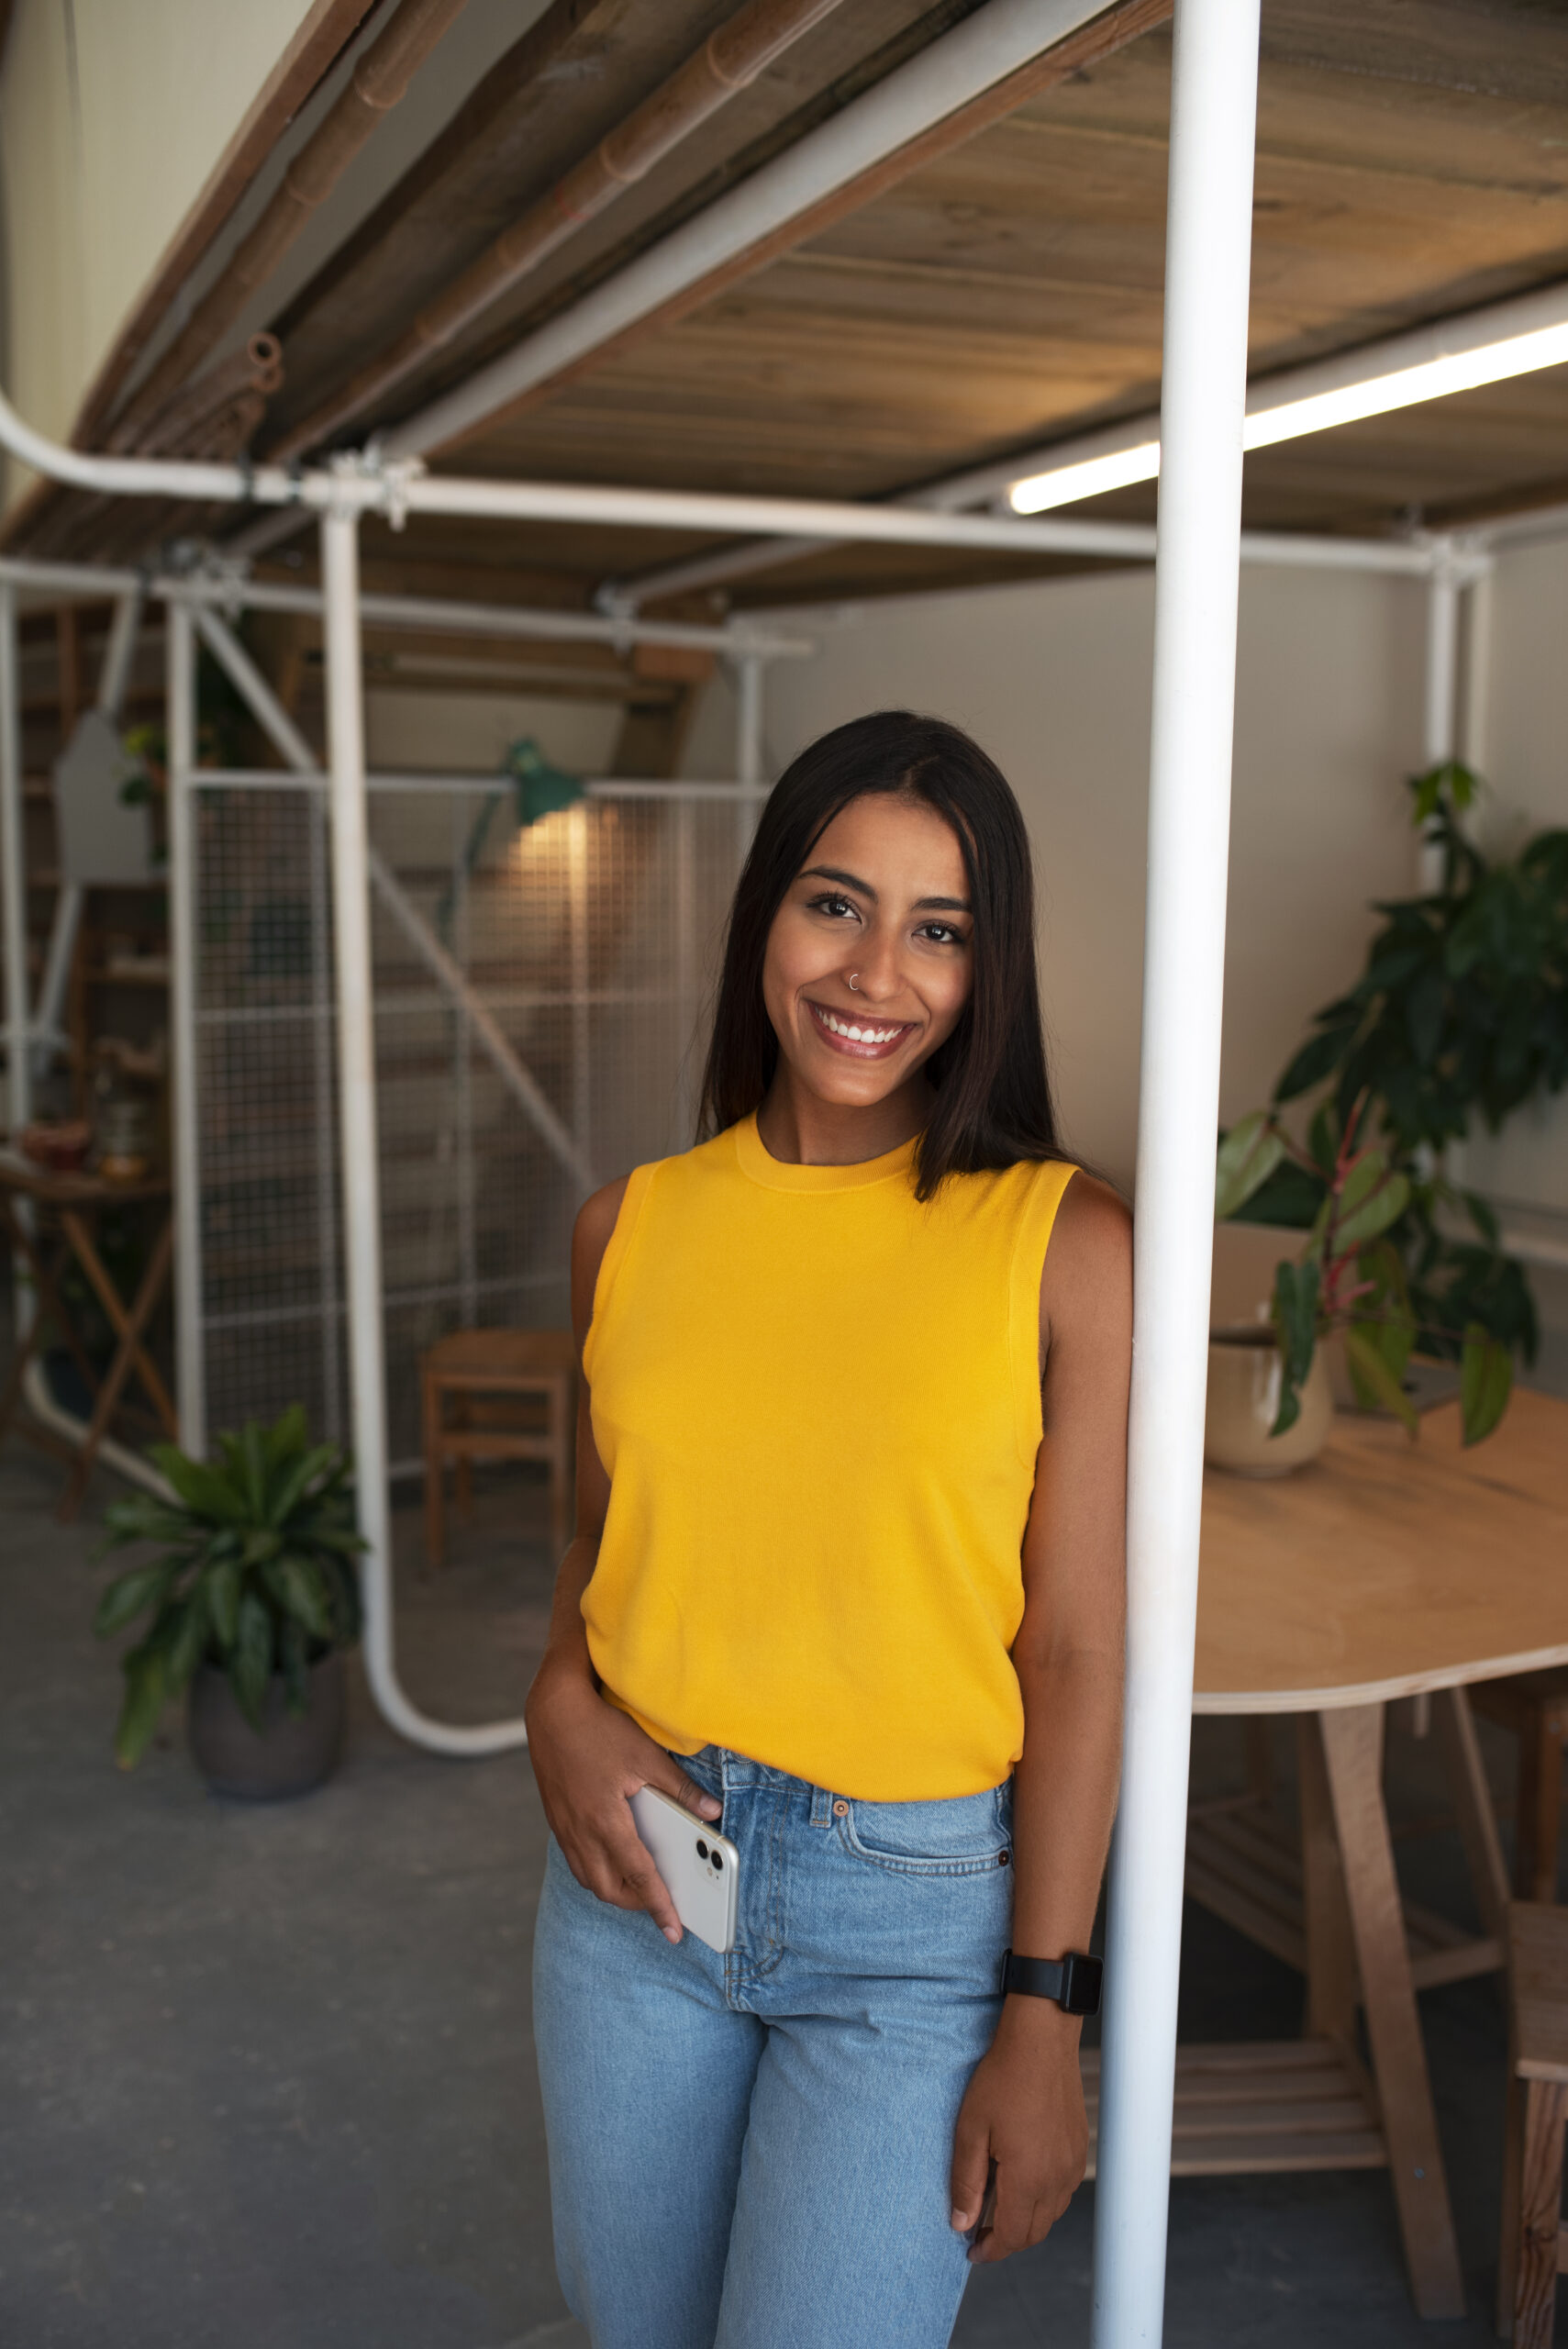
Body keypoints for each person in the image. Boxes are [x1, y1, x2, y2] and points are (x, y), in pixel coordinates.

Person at [525, 710, 1130, 2349]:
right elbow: (593, 1565)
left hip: (913, 1917)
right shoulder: (627, 1228)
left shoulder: (1061, 1245)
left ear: (984, 969)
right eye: (835, 903)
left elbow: (1074, 1652)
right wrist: (553, 1708)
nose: (876, 973)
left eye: (939, 929)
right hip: (638, 1891)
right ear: (763, 923)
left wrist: (1045, 2012)